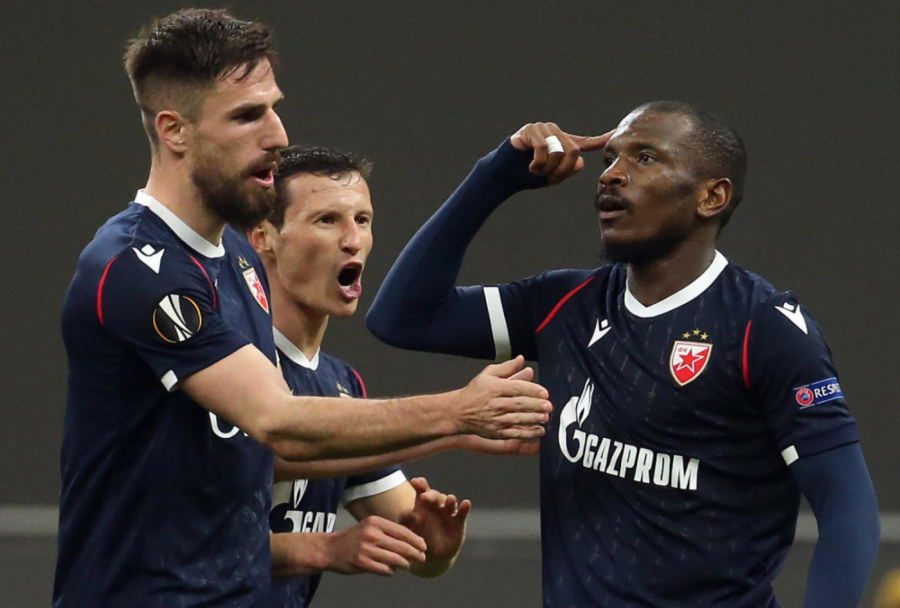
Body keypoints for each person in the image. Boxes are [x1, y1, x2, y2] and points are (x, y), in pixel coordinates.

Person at [54, 9, 551, 606]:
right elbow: (279, 422)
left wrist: (448, 436)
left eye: (274, 108)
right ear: (174, 131)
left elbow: (257, 454)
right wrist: (458, 414)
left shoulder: (237, 260)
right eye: (246, 116)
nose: (277, 135)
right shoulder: (136, 265)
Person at [366, 103, 880, 607]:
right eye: (610, 157)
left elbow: (848, 509)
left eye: (645, 158)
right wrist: (495, 176)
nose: (611, 174)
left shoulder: (763, 326)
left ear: (712, 197)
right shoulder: (566, 304)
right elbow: (402, 318)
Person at [250, 146, 502, 605]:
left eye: (362, 220)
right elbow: (180, 541)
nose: (353, 240)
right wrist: (324, 548)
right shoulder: (225, 366)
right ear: (263, 237)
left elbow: (423, 554)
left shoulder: (341, 385)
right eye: (327, 220)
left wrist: (435, 544)